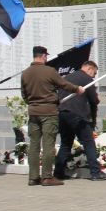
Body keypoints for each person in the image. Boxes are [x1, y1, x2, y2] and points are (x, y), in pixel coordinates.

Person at [21, 45, 85, 187]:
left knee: (34, 145)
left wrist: (34, 103)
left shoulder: (25, 73)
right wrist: (77, 89)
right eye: (46, 56)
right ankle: (47, 177)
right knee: (48, 145)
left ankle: (33, 177)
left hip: (33, 112)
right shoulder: (49, 71)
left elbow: (24, 95)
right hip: (49, 112)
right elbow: (63, 84)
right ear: (43, 56)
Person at [53, 61, 106, 181]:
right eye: (94, 73)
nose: (93, 76)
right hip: (77, 114)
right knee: (88, 142)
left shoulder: (68, 77)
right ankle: (95, 172)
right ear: (89, 68)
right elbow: (93, 100)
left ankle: (58, 173)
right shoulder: (86, 79)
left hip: (62, 113)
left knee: (66, 144)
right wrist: (96, 101)